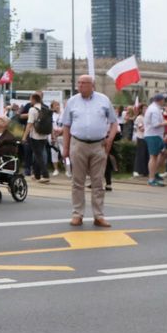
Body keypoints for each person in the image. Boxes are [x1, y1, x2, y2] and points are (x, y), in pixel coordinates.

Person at [60, 74, 120, 227]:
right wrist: (65, 148)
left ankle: (98, 215)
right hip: (78, 144)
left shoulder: (103, 100)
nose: (80, 86)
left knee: (98, 182)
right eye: (79, 83)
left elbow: (114, 123)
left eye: (83, 83)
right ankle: (77, 214)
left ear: (92, 85)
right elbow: (66, 125)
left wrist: (110, 139)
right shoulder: (72, 101)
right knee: (77, 182)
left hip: (99, 145)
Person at [25, 93, 52, 182]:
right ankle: (37, 175)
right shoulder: (45, 108)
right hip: (44, 135)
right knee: (38, 156)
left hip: (35, 135)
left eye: (30, 99)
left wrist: (24, 136)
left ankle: (45, 175)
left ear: (33, 99)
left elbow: (30, 124)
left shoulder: (32, 109)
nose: (30, 101)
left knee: (38, 156)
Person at [143, 93, 167, 186]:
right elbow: (155, 124)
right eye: (163, 99)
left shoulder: (155, 108)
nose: (164, 101)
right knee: (153, 156)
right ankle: (151, 178)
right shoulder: (154, 109)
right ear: (160, 100)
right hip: (153, 135)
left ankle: (154, 172)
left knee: (165, 152)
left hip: (155, 135)